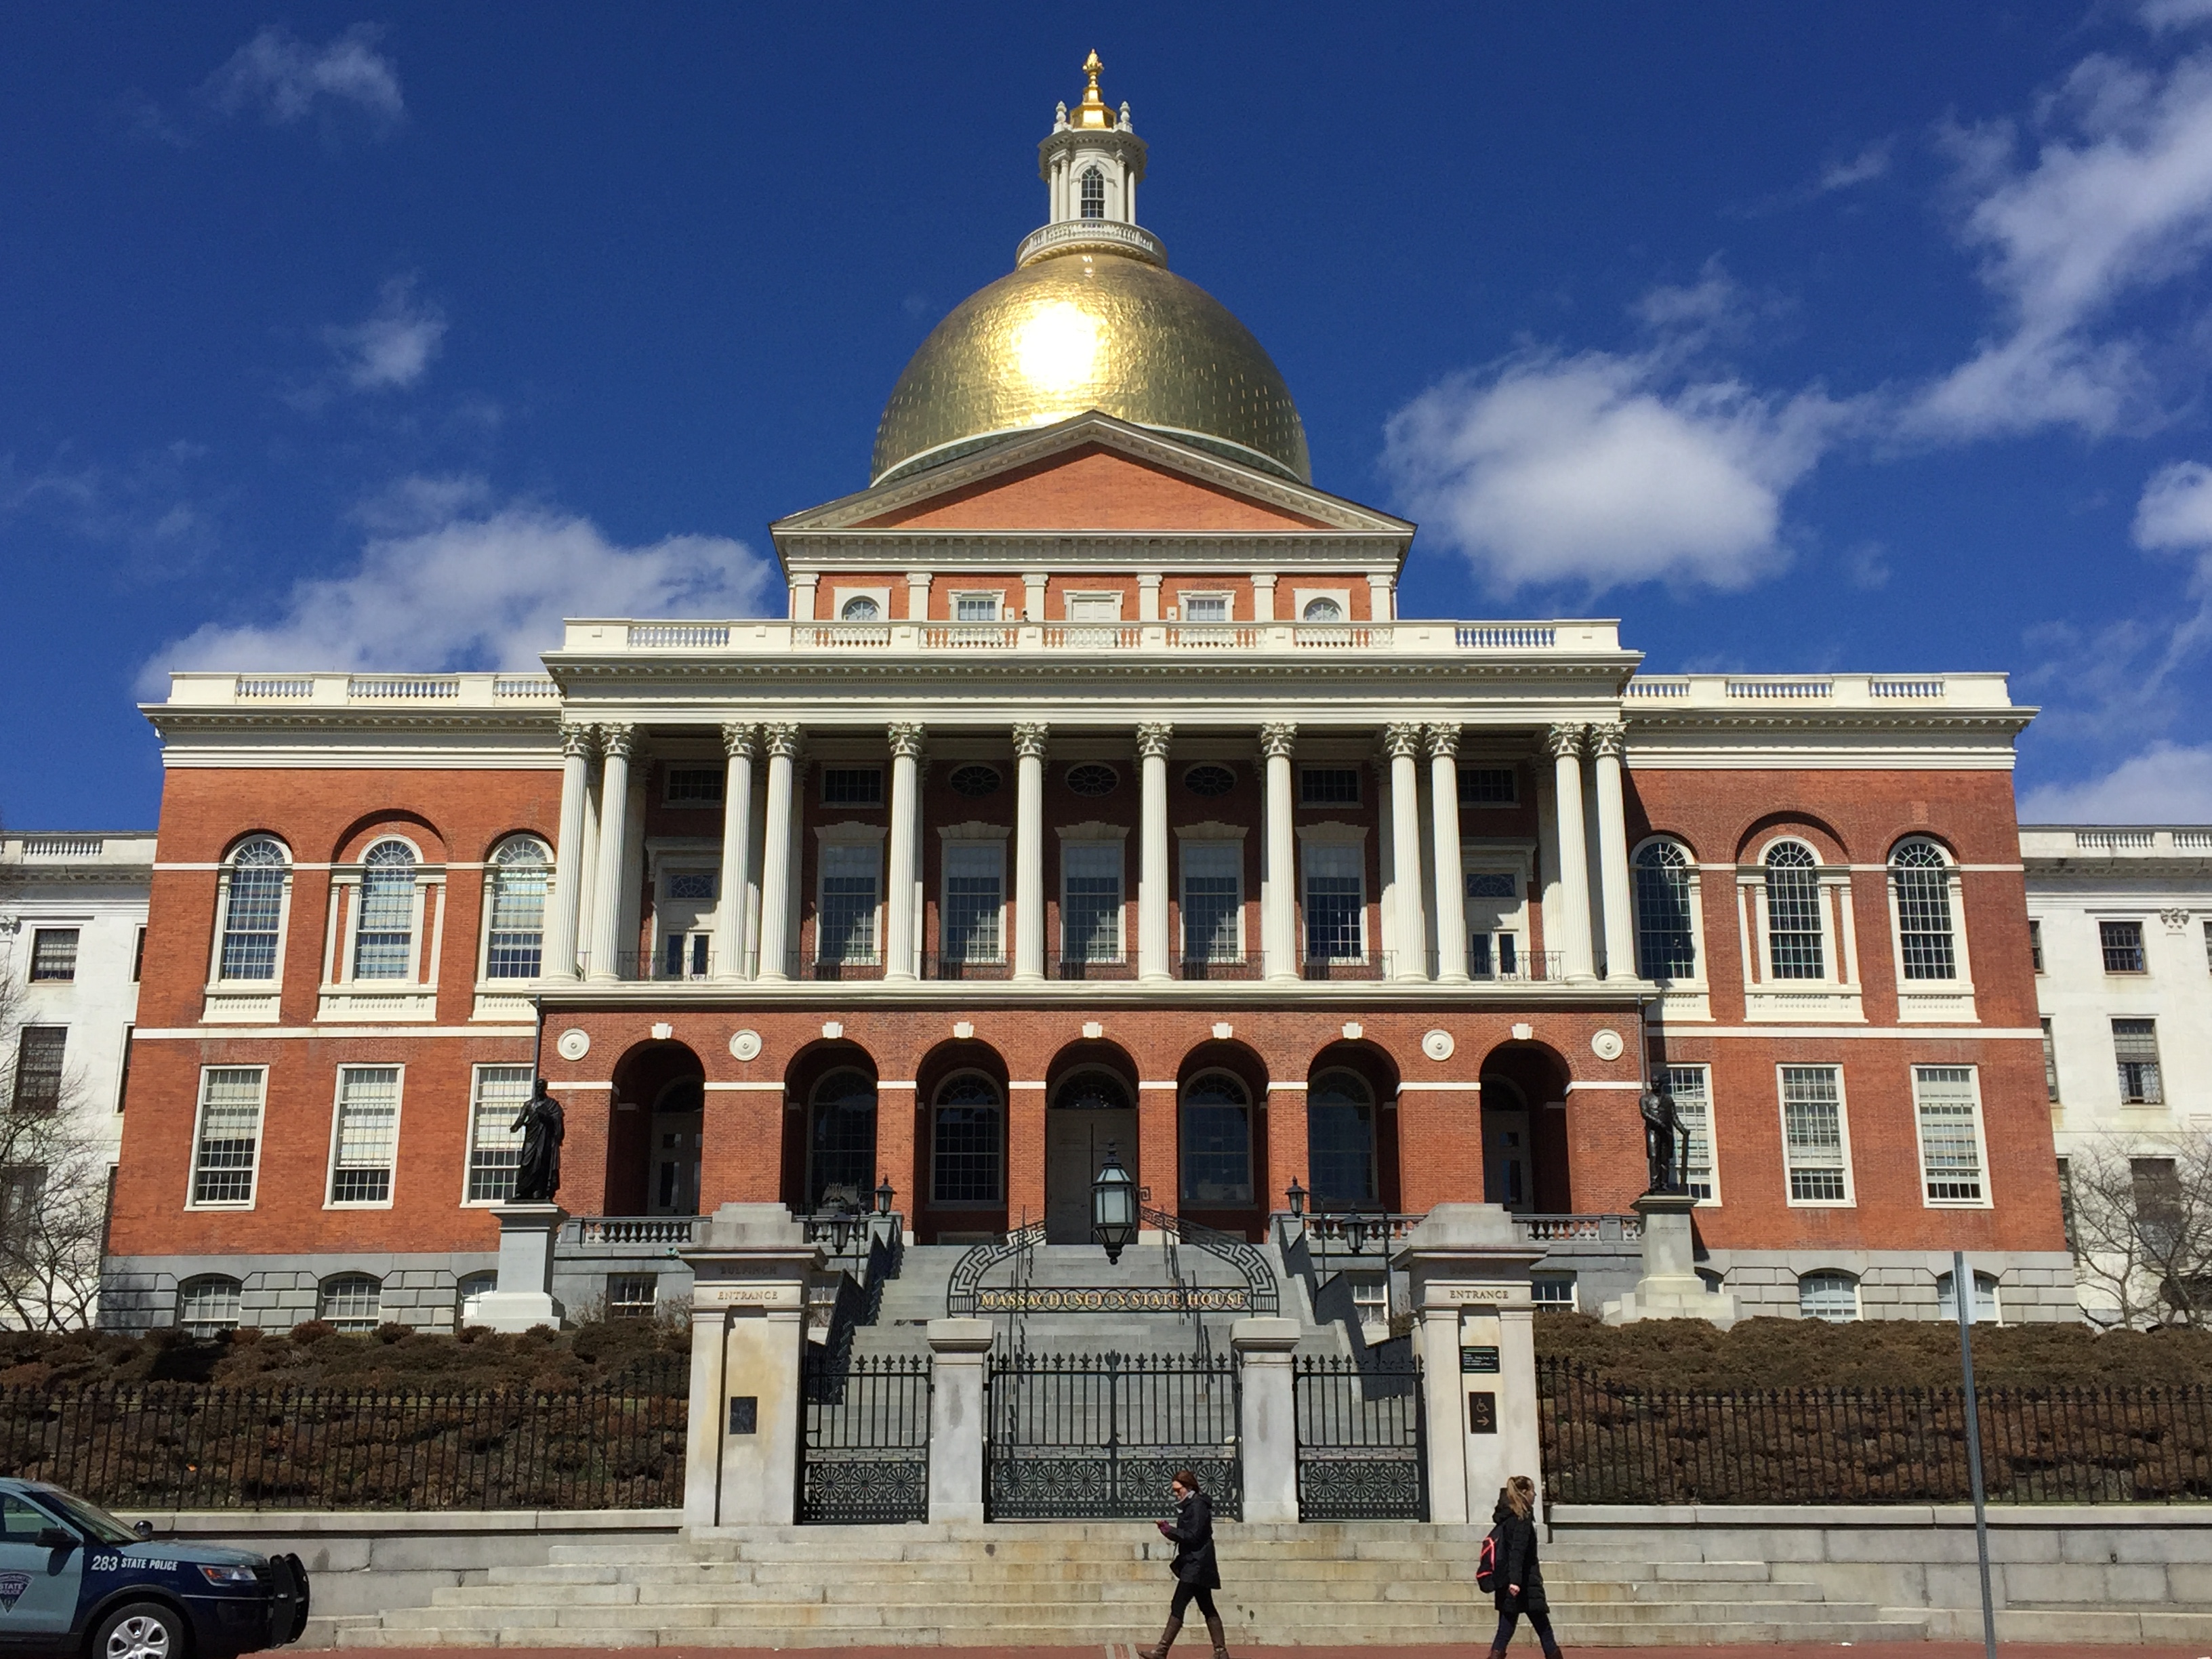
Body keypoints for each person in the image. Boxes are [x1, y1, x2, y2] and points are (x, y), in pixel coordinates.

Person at [1141, 1469, 1228, 1659]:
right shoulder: (1191, 1505)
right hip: (1196, 1563)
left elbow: (1193, 1535)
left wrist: (1169, 1530)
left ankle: (1161, 1651)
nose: (1176, 1493)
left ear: (1189, 1487)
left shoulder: (1197, 1506)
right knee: (1207, 1606)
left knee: (1178, 1604)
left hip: (1196, 1564)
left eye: (1178, 1489)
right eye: (1174, 1490)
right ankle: (1220, 1651)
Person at [1488, 1474, 1560, 1659]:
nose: (1535, 1495)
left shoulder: (1506, 1517)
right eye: (1533, 1490)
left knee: (1505, 1628)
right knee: (1543, 1627)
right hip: (1524, 1582)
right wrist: (1516, 1581)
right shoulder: (1522, 1519)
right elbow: (1517, 1552)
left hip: (1509, 1580)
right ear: (1525, 1493)